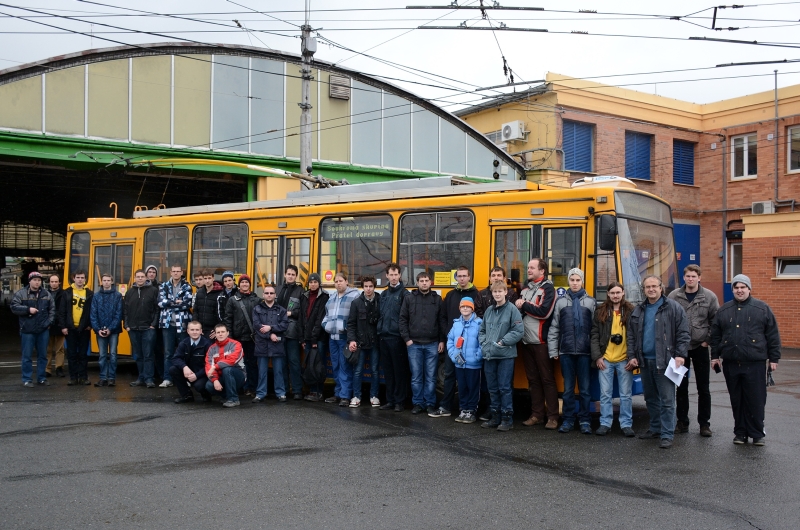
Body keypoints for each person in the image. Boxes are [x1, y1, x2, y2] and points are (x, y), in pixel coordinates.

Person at [710, 274, 781, 446]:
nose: (739, 290)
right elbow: (716, 336)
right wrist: (714, 357)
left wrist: (774, 358)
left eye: (743, 287)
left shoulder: (762, 309)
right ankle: (740, 433)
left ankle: (757, 434)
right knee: (737, 399)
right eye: (736, 287)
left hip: (754, 364)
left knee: (756, 399)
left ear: (749, 289)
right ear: (732, 289)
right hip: (731, 364)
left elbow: (772, 335)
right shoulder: (724, 311)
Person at [628, 275, 690, 449]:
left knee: (667, 400)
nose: (651, 289)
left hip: (666, 361)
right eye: (648, 287)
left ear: (661, 288)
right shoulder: (639, 310)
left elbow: (683, 333)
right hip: (645, 361)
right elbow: (632, 335)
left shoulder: (673, 307)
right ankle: (655, 428)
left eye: (654, 286)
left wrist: (680, 354)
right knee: (650, 398)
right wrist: (632, 355)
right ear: (644, 289)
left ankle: (667, 433)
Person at [667, 264, 719, 437]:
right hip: (679, 350)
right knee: (680, 387)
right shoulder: (674, 296)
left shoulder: (709, 297)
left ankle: (704, 424)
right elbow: (668, 320)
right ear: (684, 277)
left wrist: (707, 341)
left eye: (694, 276)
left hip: (700, 348)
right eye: (688, 276)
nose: (691, 279)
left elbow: (716, 322)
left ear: (699, 277)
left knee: (703, 388)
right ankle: (682, 422)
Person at [547, 268, 596, 434]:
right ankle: (567, 419)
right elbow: (554, 327)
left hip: (585, 352)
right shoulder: (560, 302)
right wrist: (553, 349)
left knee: (585, 389)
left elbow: (595, 329)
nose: (575, 283)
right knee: (568, 389)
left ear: (582, 282)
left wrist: (596, 352)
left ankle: (585, 420)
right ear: (568, 281)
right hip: (566, 351)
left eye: (578, 280)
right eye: (572, 280)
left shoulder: (590, 302)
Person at [430, 266, 483, 418]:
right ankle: (445, 406)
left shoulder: (476, 294)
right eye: (459, 276)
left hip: (471, 346)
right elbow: (443, 317)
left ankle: (468, 409)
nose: (461, 279)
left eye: (464, 276)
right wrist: (448, 335)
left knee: (469, 380)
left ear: (469, 277)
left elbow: (479, 316)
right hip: (453, 344)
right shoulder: (451, 295)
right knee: (449, 376)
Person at [515, 258, 559, 429]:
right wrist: (522, 306)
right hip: (526, 341)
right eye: (528, 267)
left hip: (541, 341)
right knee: (532, 380)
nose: (529, 270)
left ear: (542, 271)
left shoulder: (548, 288)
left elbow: (544, 313)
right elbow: (518, 310)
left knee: (547, 379)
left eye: (532, 268)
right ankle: (537, 415)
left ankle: (553, 417)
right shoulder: (525, 288)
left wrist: (524, 304)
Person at [590, 281, 636, 437]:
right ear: (608, 294)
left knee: (625, 395)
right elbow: (594, 335)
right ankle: (605, 423)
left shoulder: (631, 311)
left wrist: (633, 357)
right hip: (606, 359)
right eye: (612, 293)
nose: (615, 295)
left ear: (623, 293)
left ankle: (626, 424)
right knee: (605, 394)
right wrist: (597, 357)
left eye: (618, 292)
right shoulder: (601, 311)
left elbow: (636, 336)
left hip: (625, 359)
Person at [478, 281, 524, 431]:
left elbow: (518, 331)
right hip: (490, 355)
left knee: (504, 388)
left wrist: (503, 342)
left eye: (500, 291)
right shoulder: (489, 311)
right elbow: (482, 330)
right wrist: (485, 343)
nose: (497, 294)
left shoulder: (512, 310)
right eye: (495, 292)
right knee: (492, 388)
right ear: (492, 293)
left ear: (506, 292)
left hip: (505, 355)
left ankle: (506, 419)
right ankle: (495, 417)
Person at [400, 271, 447, 415]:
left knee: (431, 377)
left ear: (431, 282)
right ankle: (418, 403)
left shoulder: (437, 299)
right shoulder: (409, 299)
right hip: (414, 344)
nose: (424, 283)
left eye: (427, 280)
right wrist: (407, 339)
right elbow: (402, 320)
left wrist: (441, 340)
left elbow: (441, 321)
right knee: (416, 377)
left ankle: (430, 403)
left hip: (432, 344)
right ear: (417, 283)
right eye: (421, 281)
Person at [322, 272, 360, 406]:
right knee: (336, 366)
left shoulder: (354, 296)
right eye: (336, 281)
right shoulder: (332, 297)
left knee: (345, 366)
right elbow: (326, 315)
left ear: (346, 281)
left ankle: (345, 395)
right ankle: (338, 393)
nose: (338, 283)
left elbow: (356, 317)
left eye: (341, 281)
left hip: (345, 337)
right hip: (332, 337)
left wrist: (346, 329)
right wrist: (325, 325)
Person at [10, 271, 55, 387]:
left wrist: (49, 322)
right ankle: (27, 379)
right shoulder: (21, 293)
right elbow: (14, 307)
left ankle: (41, 378)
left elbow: (52, 310)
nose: (37, 282)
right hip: (27, 330)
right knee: (27, 356)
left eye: (39, 280)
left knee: (43, 355)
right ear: (29, 281)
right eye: (35, 280)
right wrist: (27, 310)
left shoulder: (46, 294)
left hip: (43, 330)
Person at [376, 263, 410, 412]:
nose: (394, 277)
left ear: (400, 276)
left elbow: (407, 317)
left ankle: (399, 401)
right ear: (387, 276)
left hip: (397, 338)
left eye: (396, 274)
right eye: (391, 274)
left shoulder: (405, 294)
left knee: (399, 371)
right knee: (388, 372)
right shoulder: (383, 294)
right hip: (383, 337)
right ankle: (390, 400)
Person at [446, 297, 483, 424]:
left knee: (473, 387)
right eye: (463, 307)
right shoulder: (456, 324)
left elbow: (483, 342)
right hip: (459, 363)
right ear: (460, 308)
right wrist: (453, 354)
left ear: (472, 309)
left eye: (468, 306)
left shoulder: (479, 323)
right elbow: (450, 340)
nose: (465, 309)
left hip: (473, 364)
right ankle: (463, 409)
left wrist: (478, 356)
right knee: (462, 387)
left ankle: (471, 410)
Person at [346, 275, 381, 408]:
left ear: (374, 287)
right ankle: (356, 396)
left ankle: (374, 396)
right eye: (365, 286)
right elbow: (351, 324)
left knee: (375, 370)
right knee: (358, 370)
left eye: (370, 286)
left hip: (375, 342)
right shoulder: (356, 303)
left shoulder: (380, 300)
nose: (368, 289)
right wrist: (351, 340)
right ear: (362, 287)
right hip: (360, 342)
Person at [157, 263, 193, 388]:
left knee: (184, 352)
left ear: (181, 273)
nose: (176, 273)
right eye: (174, 271)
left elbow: (187, 304)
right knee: (168, 352)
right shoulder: (164, 286)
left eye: (178, 271)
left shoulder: (187, 286)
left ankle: (186, 378)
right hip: (167, 324)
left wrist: (170, 303)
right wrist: (175, 302)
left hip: (182, 324)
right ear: (171, 272)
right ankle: (167, 378)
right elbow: (160, 303)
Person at [252, 284, 289, 403]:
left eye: (271, 293)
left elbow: (284, 325)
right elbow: (257, 326)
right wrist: (270, 335)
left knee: (279, 370)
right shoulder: (257, 309)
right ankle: (260, 393)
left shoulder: (282, 310)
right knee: (262, 371)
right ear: (263, 295)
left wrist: (270, 328)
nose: (269, 295)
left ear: (275, 295)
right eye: (267, 293)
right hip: (262, 343)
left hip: (277, 344)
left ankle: (281, 393)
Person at [224, 274, 259, 395]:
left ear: (250, 284)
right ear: (239, 285)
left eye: (247, 282)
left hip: (252, 338)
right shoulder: (232, 300)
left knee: (252, 364)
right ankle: (238, 386)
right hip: (237, 338)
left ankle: (251, 387)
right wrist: (230, 337)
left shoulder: (256, 299)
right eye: (242, 282)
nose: (245, 284)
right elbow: (228, 319)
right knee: (237, 363)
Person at [125, 269, 160, 388]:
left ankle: (149, 379)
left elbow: (157, 309)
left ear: (146, 278)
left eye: (142, 277)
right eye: (138, 277)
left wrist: (153, 324)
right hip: (133, 328)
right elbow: (125, 310)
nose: (140, 279)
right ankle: (141, 377)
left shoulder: (153, 291)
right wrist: (127, 325)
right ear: (134, 278)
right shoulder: (130, 292)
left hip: (148, 328)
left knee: (148, 354)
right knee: (138, 355)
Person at [276, 265, 305, 400]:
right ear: (285, 275)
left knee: (294, 362)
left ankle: (297, 390)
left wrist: (290, 313)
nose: (290, 276)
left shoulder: (300, 291)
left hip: (293, 332)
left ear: (296, 276)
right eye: (288, 274)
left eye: (293, 274)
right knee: (281, 363)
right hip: (278, 331)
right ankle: (285, 390)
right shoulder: (278, 289)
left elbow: (303, 312)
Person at [299, 273, 330, 401]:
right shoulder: (304, 296)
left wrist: (314, 339)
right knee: (309, 365)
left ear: (319, 283)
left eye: (315, 282)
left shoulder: (324, 297)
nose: (313, 284)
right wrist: (302, 338)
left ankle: (319, 391)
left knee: (317, 365)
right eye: (311, 282)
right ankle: (312, 391)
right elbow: (302, 317)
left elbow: (320, 319)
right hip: (307, 338)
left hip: (318, 339)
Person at [90, 273, 123, 387]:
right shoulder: (96, 296)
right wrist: (97, 329)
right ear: (101, 282)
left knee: (113, 354)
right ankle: (103, 377)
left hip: (113, 331)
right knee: (102, 355)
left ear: (112, 282)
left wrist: (110, 328)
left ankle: (111, 378)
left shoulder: (118, 295)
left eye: (109, 280)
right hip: (100, 331)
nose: (106, 282)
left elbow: (119, 315)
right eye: (104, 280)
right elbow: (93, 314)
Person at [60, 270, 93, 386]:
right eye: (78, 277)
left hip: (84, 329)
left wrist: (90, 325)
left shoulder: (89, 293)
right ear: (73, 279)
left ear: (85, 279)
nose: (80, 279)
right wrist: (63, 326)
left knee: (83, 355)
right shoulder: (67, 293)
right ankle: (73, 378)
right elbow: (62, 311)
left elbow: (92, 312)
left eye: (82, 277)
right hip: (70, 328)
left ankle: (83, 377)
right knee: (72, 354)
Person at [169, 321, 212, 403]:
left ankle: (206, 394)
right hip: (188, 371)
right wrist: (184, 367)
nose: (194, 332)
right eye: (192, 330)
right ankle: (187, 396)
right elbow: (175, 358)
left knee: (199, 386)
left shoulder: (207, 344)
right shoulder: (184, 343)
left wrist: (197, 375)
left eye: (197, 330)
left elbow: (210, 364)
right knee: (173, 369)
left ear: (201, 331)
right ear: (188, 331)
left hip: (202, 373)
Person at [204, 323, 246, 407]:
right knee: (209, 385)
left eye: (223, 332)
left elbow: (232, 360)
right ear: (215, 334)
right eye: (218, 332)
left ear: (228, 333)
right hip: (222, 376)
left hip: (238, 375)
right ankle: (226, 397)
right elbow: (208, 365)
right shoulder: (211, 348)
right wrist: (215, 380)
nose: (220, 334)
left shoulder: (236, 344)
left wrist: (215, 367)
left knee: (227, 369)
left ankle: (233, 399)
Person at [45, 274, 66, 378]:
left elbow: (65, 310)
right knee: (47, 349)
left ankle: (59, 368)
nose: (54, 283)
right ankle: (47, 369)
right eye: (52, 282)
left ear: (59, 282)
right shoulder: (44, 294)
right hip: (47, 325)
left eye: (56, 281)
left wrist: (63, 324)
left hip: (59, 324)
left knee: (60, 349)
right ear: (49, 282)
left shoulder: (64, 294)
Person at [193, 269, 223, 339]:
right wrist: (196, 327)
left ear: (213, 278)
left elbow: (221, 314)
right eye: (205, 278)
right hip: (200, 329)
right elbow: (196, 311)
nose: (207, 281)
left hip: (213, 330)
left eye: (209, 278)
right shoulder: (199, 293)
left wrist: (217, 330)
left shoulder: (220, 293)